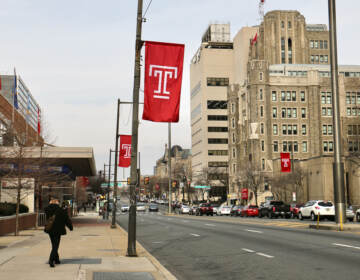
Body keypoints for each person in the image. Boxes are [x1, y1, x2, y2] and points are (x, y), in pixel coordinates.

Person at [44, 198, 73, 268]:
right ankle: (51, 260)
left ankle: (56, 259)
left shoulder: (47, 210)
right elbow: (66, 220)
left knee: (54, 244)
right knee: (55, 246)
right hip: (58, 230)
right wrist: (70, 227)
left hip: (50, 229)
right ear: (57, 203)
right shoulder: (61, 210)